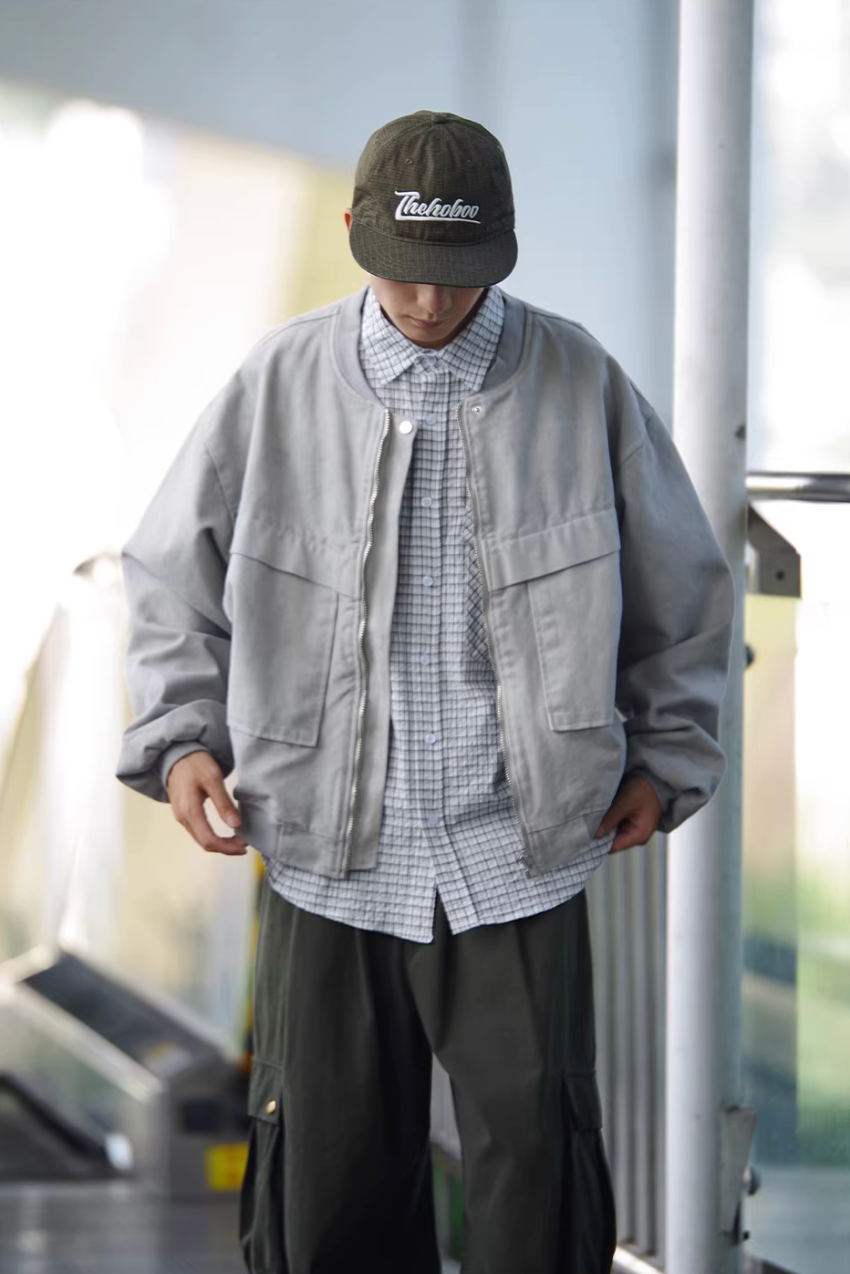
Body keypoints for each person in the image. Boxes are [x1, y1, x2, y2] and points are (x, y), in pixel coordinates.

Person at [116, 111, 733, 1274]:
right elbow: (165, 575)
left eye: (458, 273)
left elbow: (684, 588)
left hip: (521, 851)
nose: (429, 301)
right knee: (324, 1197)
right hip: (326, 854)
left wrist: (667, 756)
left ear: (505, 244)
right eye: (403, 269)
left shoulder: (581, 379)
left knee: (538, 1191)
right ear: (355, 228)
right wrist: (181, 735)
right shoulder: (278, 380)